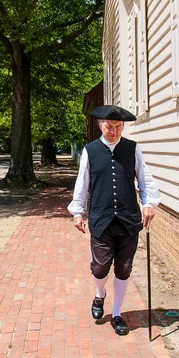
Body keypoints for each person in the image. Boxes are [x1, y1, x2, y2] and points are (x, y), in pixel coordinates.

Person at [68, 104, 161, 335]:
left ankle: (117, 313)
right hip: (101, 218)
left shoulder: (132, 149)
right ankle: (100, 295)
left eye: (118, 127)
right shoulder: (90, 150)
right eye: (109, 127)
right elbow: (82, 183)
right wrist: (78, 212)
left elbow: (144, 178)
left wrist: (149, 204)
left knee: (124, 268)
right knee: (100, 267)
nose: (114, 131)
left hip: (129, 219)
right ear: (101, 126)